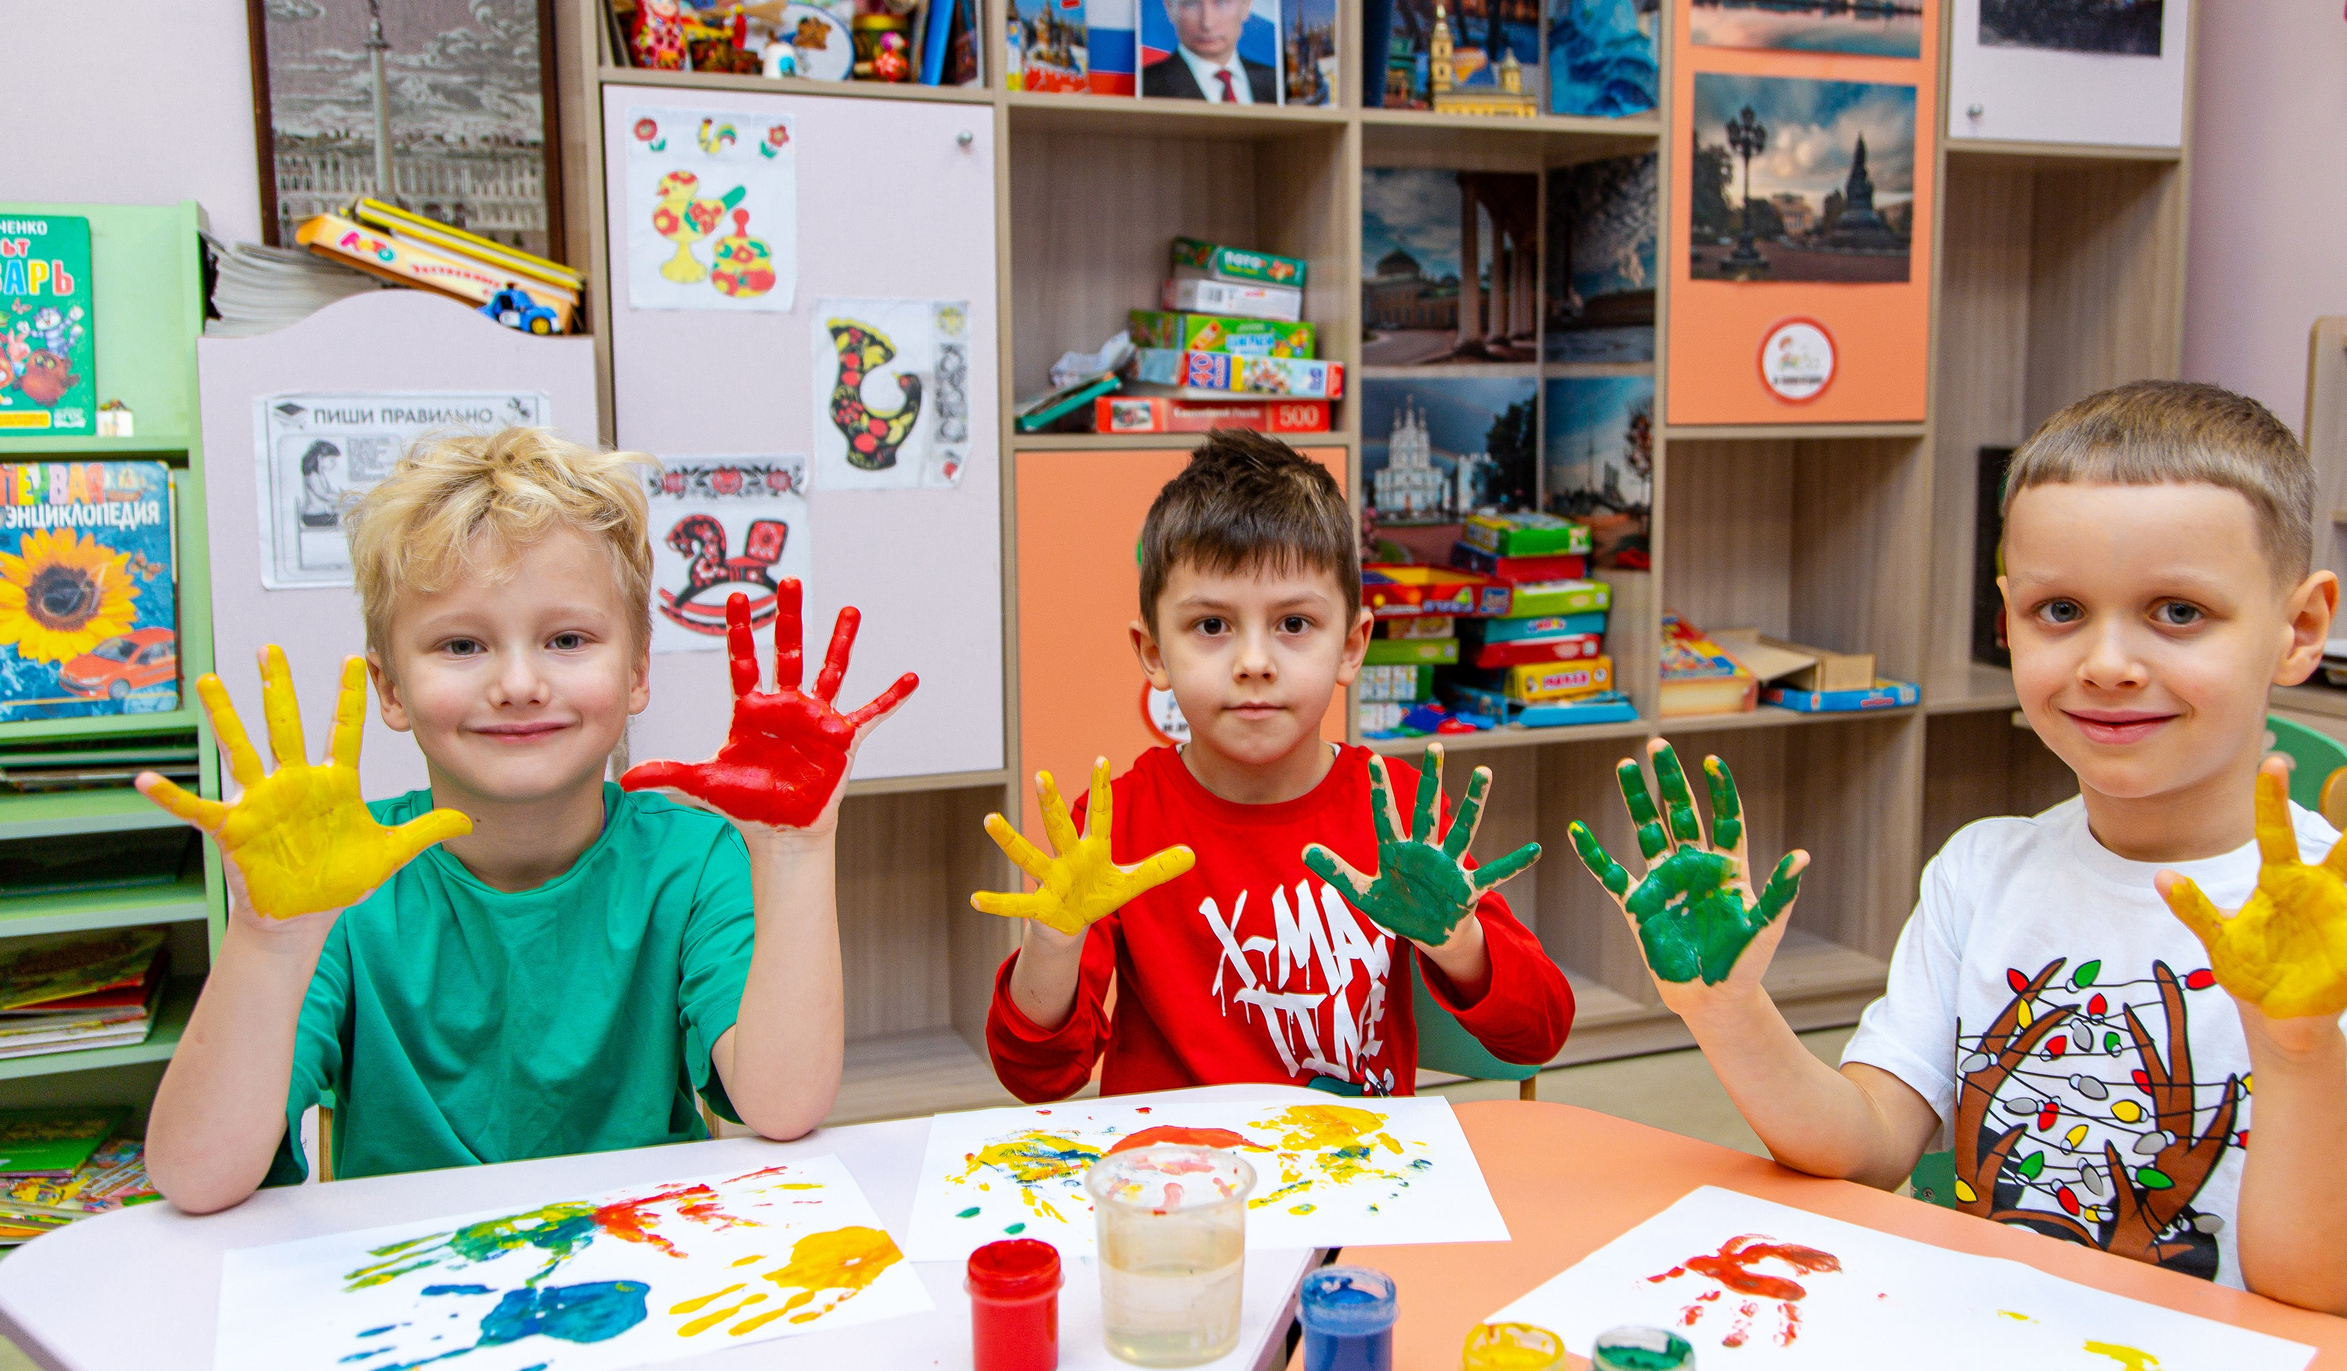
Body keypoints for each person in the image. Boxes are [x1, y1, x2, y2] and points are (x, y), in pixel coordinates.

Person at [1571, 381, 2347, 1324]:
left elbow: (2332, 1302)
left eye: (2177, 611)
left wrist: (2295, 1050)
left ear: (2300, 628)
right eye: (2060, 610)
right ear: (2004, 620)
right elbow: (1869, 1145)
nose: (2107, 662)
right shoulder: (1982, 871)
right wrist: (1729, 1012)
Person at [139, 427, 910, 1213]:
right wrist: (269, 939)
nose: (518, 681)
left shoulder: (691, 856)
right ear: (391, 688)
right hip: (409, 1290)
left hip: (644, 1268)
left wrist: (796, 848)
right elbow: (196, 1176)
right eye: (462, 644)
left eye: (567, 639)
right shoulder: (342, 880)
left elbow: (783, 1106)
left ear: (638, 668)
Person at [980, 430, 1574, 1100]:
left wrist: (1459, 943)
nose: (1254, 661)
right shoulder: (1117, 826)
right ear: (1153, 652)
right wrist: (1053, 944)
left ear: (1352, 646)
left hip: (1362, 1181)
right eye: (1211, 626)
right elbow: (1035, 1075)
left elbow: (1539, 1034)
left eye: (1294, 624)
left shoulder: (1400, 815)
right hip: (1180, 1180)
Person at [1140, 0, 1277, 105]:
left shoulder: (1276, 83)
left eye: (1221, 3)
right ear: (1170, 8)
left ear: (1246, 5)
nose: (1207, 23)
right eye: (1191, 4)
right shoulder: (1147, 86)